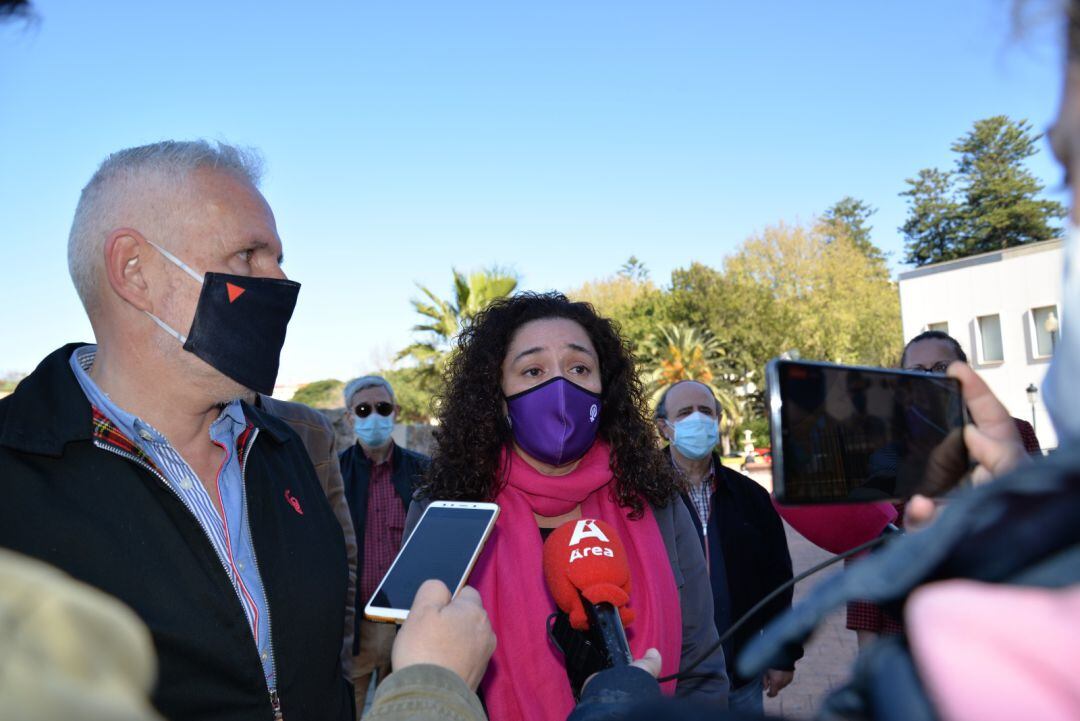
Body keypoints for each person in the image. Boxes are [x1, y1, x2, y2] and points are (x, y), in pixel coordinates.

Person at [0, 141, 352, 721]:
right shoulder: (14, 478)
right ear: (134, 272)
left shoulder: (292, 447)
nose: (281, 280)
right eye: (248, 254)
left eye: (278, 256)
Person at [408, 292, 729, 721]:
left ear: (604, 387)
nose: (561, 387)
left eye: (579, 368)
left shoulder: (656, 497)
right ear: (498, 397)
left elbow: (700, 660)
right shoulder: (448, 506)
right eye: (532, 370)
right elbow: (428, 669)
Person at [846, 329, 1045, 650]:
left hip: (1007, 620)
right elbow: (867, 549)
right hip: (913, 627)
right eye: (916, 372)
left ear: (965, 373)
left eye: (942, 367)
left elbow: (1047, 521)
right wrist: (867, 644)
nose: (930, 378)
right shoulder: (885, 452)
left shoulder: (1015, 434)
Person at [655, 380, 800, 713]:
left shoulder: (751, 497)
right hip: (670, 679)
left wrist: (783, 655)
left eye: (706, 411)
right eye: (685, 412)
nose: (697, 419)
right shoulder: (641, 497)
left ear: (718, 420)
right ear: (664, 428)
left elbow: (778, 582)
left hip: (740, 676)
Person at [339, 375, 431, 711]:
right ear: (350, 418)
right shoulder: (332, 473)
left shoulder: (425, 472)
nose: (374, 416)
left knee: (405, 710)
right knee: (350, 707)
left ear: (395, 412)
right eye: (363, 409)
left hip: (409, 625)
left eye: (382, 407)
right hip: (356, 629)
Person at [255, 392, 359, 676]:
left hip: (308, 671)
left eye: (383, 408)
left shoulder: (309, 429)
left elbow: (342, 558)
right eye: (363, 409)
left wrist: (340, 670)